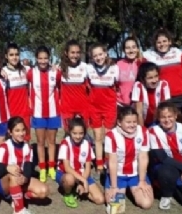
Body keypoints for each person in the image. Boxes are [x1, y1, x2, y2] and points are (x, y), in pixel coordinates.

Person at [149, 101, 182, 210]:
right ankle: (166, 194)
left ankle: (173, 186)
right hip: (166, 166)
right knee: (165, 172)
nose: (167, 120)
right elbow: (163, 158)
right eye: (163, 117)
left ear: (176, 116)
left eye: (170, 116)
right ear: (158, 118)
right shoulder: (153, 132)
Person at [0, 116, 49, 214]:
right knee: (15, 172)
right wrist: (7, 168)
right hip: (3, 183)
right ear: (10, 132)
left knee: (43, 191)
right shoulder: (4, 147)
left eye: (23, 130)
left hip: (19, 180)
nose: (21, 133)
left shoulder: (27, 147)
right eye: (17, 130)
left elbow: (28, 167)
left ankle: (18, 196)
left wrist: (25, 178)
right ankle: (19, 210)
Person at [104, 106, 154, 212]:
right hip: (118, 175)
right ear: (119, 122)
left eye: (134, 121)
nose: (132, 125)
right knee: (116, 210)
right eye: (128, 122)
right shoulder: (111, 135)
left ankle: (131, 188)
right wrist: (114, 186)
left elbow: (143, 157)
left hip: (135, 174)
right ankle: (120, 189)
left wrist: (142, 180)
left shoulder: (144, 132)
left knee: (146, 203)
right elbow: (112, 162)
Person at [27, 46, 62, 182]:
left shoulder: (55, 72)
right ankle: (42, 168)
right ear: (36, 59)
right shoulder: (30, 73)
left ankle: (51, 167)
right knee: (40, 142)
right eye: (40, 58)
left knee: (52, 142)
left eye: (45, 58)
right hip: (38, 113)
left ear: (49, 59)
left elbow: (60, 86)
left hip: (53, 112)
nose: (43, 61)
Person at [56, 117, 104, 208]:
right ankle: (68, 193)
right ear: (70, 132)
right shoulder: (65, 144)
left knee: (100, 200)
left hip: (82, 174)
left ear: (84, 133)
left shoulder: (86, 144)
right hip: (65, 173)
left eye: (81, 133)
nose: (78, 136)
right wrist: (83, 181)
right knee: (70, 179)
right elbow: (67, 168)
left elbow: (87, 168)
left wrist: (82, 182)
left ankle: (78, 190)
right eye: (74, 133)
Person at [87, 43, 119, 173]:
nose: (98, 57)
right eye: (95, 56)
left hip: (109, 106)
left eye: (100, 54)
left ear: (105, 53)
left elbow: (118, 85)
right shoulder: (89, 68)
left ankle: (108, 161)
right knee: (97, 136)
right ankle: (99, 164)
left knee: (108, 136)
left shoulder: (114, 68)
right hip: (94, 107)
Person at [143, 29, 182, 120]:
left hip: (181, 96)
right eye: (158, 42)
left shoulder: (178, 53)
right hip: (162, 96)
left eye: (164, 41)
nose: (162, 44)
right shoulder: (149, 56)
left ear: (170, 42)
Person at [2, 43, 31, 142]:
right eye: (11, 55)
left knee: (25, 140)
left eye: (17, 54)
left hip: (25, 112)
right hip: (11, 113)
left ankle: (27, 157)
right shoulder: (2, 72)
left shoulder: (26, 69)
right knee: (11, 141)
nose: (14, 57)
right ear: (6, 56)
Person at [59, 40, 90, 132]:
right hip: (67, 109)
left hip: (83, 107)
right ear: (66, 53)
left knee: (82, 133)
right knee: (69, 133)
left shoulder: (86, 67)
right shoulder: (59, 68)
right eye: (72, 52)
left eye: (78, 53)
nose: (75, 55)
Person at [131, 62, 170, 127]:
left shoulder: (163, 85)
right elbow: (139, 112)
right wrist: (143, 131)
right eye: (150, 78)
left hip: (157, 121)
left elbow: (164, 109)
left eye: (156, 76)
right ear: (142, 79)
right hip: (142, 121)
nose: (154, 80)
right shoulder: (139, 86)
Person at [116, 36, 145, 106]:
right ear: (123, 50)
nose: (131, 50)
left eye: (134, 47)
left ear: (138, 49)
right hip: (120, 103)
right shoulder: (118, 64)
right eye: (128, 48)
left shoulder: (143, 63)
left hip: (138, 104)